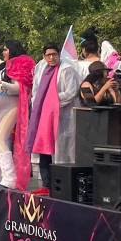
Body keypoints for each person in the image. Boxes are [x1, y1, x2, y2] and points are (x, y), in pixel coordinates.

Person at [28, 43, 81, 187]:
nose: (51, 57)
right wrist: (39, 102)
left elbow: (71, 92)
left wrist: (51, 100)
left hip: (62, 115)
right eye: (48, 55)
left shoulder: (67, 69)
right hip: (43, 115)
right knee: (44, 146)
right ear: (44, 56)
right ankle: (46, 183)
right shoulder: (41, 67)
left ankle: (60, 184)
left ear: (59, 54)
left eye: (54, 54)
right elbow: (36, 90)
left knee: (60, 150)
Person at [0, 40, 34, 190]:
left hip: (12, 106)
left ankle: (10, 178)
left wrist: (0, 84)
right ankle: (1, 175)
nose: (3, 52)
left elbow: (18, 88)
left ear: (12, 50)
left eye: (6, 49)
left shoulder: (19, 63)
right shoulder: (4, 65)